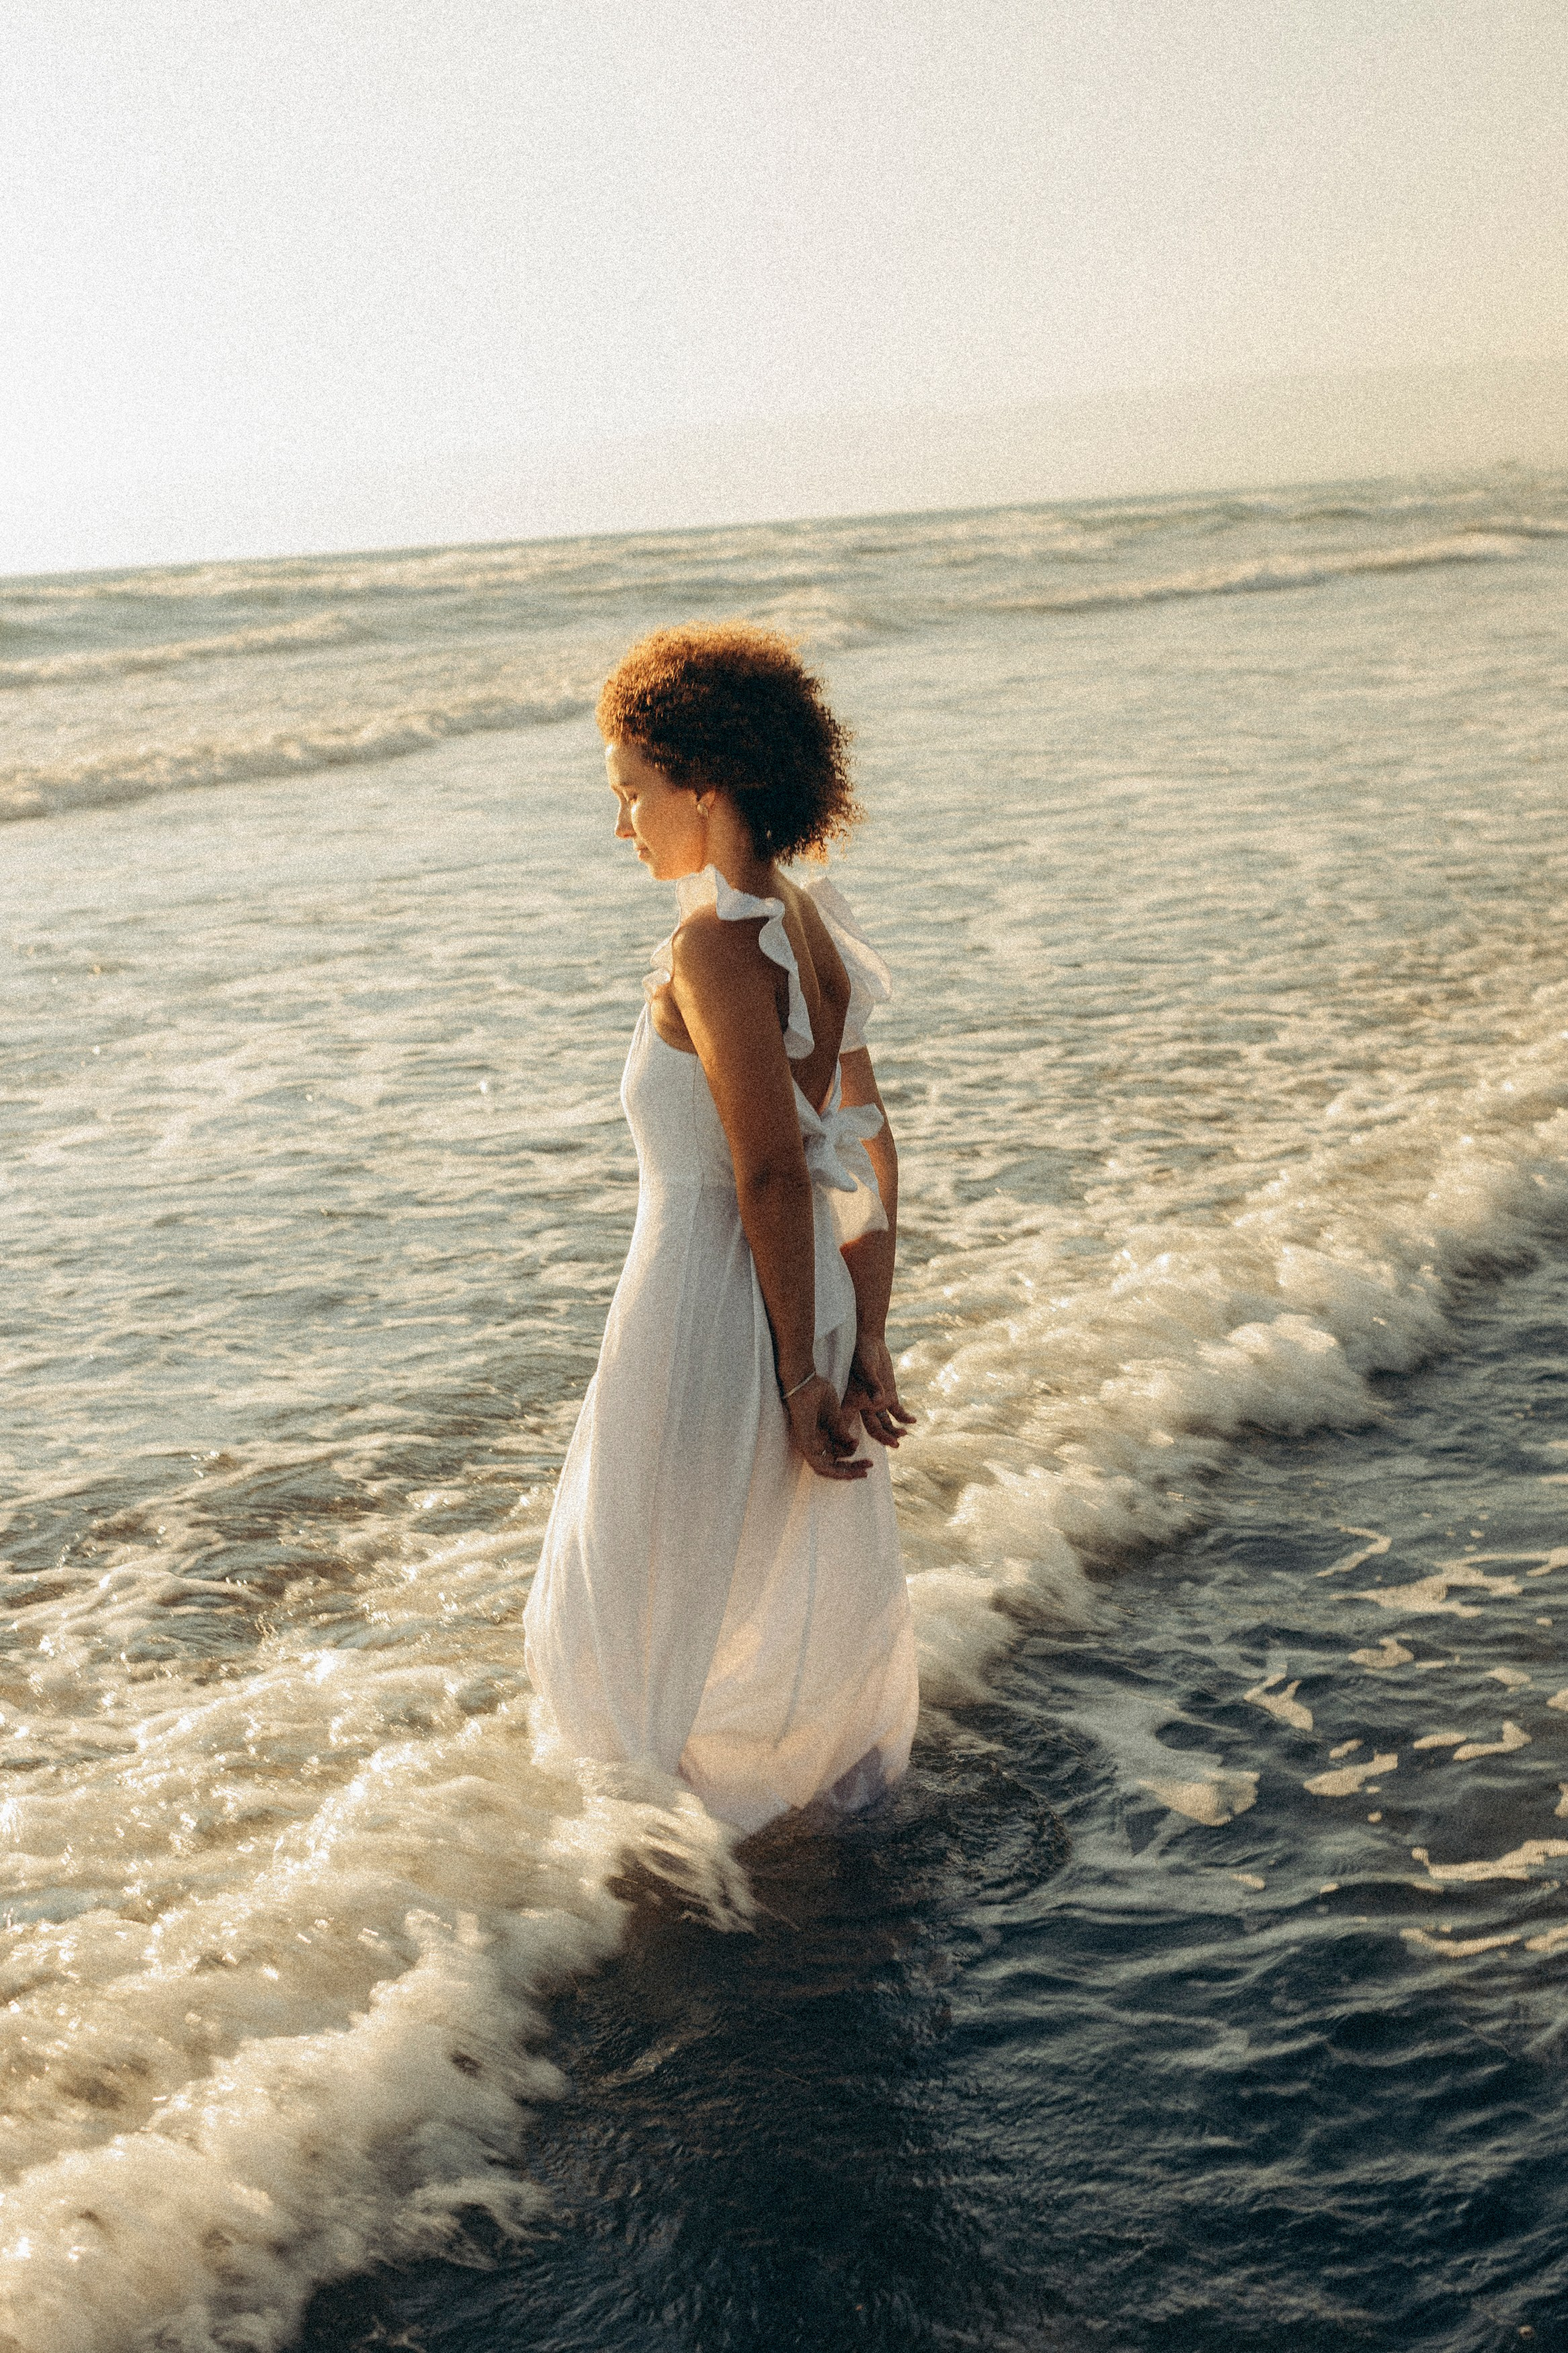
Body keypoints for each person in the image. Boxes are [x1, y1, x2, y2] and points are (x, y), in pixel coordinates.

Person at [523, 624, 919, 1835]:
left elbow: (763, 1167)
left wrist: (803, 1367)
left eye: (630, 793)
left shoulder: (712, 944)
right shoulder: (810, 922)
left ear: (701, 784)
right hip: (804, 1294)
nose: (622, 824)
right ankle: (738, 1828)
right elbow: (867, 1146)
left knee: (624, 1591)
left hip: (710, 1301)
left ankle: (636, 1883)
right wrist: (867, 1330)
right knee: (738, 1573)